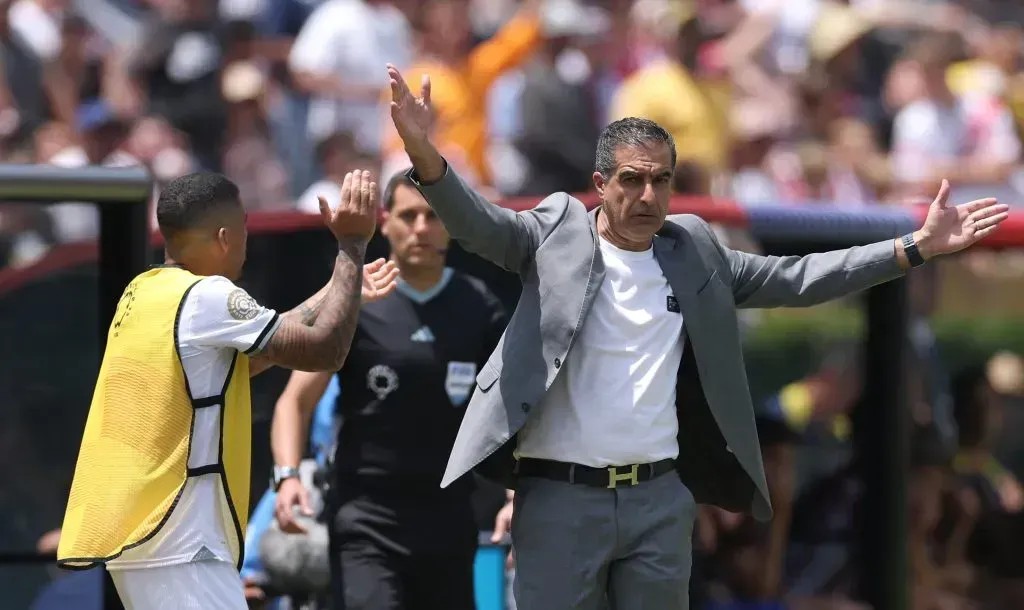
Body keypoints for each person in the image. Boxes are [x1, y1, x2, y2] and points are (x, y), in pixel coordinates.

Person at [385, 63, 1010, 610]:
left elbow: (800, 278)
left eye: (661, 180)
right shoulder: (553, 232)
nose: (647, 194)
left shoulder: (696, 250)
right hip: (559, 499)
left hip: (658, 501)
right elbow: (476, 224)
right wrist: (422, 150)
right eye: (631, 179)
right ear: (600, 185)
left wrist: (913, 248)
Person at [56, 170, 399, 609]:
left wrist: (340, 291)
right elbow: (325, 352)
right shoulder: (209, 297)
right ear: (223, 237)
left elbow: (251, 357)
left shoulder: (143, 293)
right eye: (243, 232)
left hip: (147, 539)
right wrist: (352, 246)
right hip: (183, 543)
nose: (245, 243)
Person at [272, 170, 508, 610]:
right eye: (409, 215)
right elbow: (294, 401)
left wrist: (516, 492)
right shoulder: (358, 298)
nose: (421, 228)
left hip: (450, 517)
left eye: (433, 216)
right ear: (386, 223)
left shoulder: (479, 305)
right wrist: (286, 477)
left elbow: (512, 408)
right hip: (367, 519)